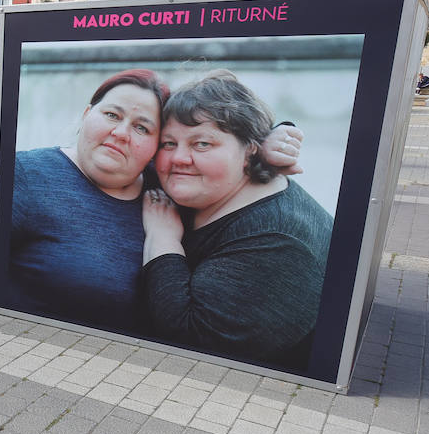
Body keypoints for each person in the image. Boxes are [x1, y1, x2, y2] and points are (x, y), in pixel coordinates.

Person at [1, 69, 303, 334]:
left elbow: (214, 149)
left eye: (142, 127)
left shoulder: (167, 186)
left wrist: (264, 144)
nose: (120, 133)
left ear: (157, 147)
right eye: (111, 115)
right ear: (85, 114)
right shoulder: (26, 175)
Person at [141, 71, 332, 370]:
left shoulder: (277, 241)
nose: (179, 158)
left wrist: (163, 240)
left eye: (202, 144)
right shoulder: (214, 186)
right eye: (168, 144)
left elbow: (189, 339)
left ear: (250, 149)